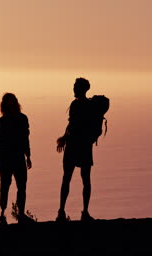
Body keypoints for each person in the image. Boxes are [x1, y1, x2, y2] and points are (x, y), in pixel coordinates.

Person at [56, 78, 96, 222]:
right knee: (86, 179)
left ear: (81, 89)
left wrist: (64, 138)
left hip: (73, 146)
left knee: (66, 178)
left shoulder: (76, 105)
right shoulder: (90, 105)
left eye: (75, 86)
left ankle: (61, 211)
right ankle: (85, 212)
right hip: (85, 146)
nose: (73, 89)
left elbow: (73, 125)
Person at [0, 93, 33, 225]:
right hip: (6, 158)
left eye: (12, 101)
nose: (11, 104)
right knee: (4, 187)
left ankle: (20, 214)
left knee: (21, 187)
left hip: (18, 158)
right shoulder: (0, 123)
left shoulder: (23, 119)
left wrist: (28, 156)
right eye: (8, 101)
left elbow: (25, 139)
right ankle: (2, 213)